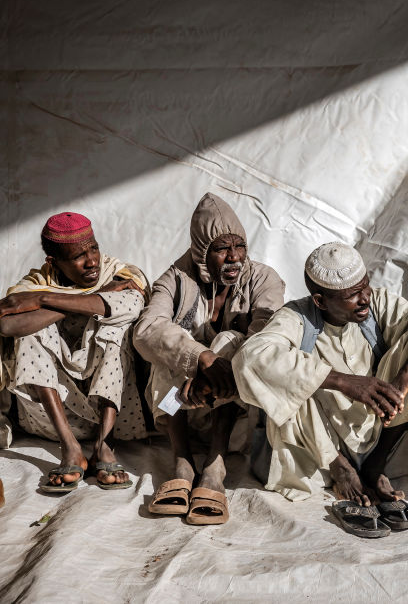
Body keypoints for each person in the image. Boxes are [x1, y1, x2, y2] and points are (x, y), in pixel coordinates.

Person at [231, 242, 408, 536]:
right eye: (352, 296)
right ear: (321, 301)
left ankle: (375, 467)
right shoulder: (295, 317)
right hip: (317, 448)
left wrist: (406, 373)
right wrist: (342, 381)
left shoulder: (374, 304)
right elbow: (250, 357)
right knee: (287, 373)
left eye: (365, 287)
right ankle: (341, 469)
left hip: (376, 434)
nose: (364, 299)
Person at [134, 193, 284, 524]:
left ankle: (214, 464)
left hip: (235, 409)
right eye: (221, 249)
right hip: (177, 404)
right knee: (169, 349)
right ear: (202, 250)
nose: (234, 257)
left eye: (239, 246)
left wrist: (211, 365)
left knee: (231, 341)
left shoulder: (263, 279)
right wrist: (198, 358)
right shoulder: (175, 278)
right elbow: (146, 330)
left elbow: (266, 339)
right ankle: (183, 460)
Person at [0, 212, 148, 492]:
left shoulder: (119, 273)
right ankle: (71, 449)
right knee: (31, 332)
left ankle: (103, 445)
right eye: (78, 256)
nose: (92, 261)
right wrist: (91, 298)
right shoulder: (34, 283)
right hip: (51, 416)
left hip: (110, 409)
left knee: (114, 328)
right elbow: (9, 325)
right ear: (53, 262)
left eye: (93, 248)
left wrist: (42, 300)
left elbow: (130, 305)